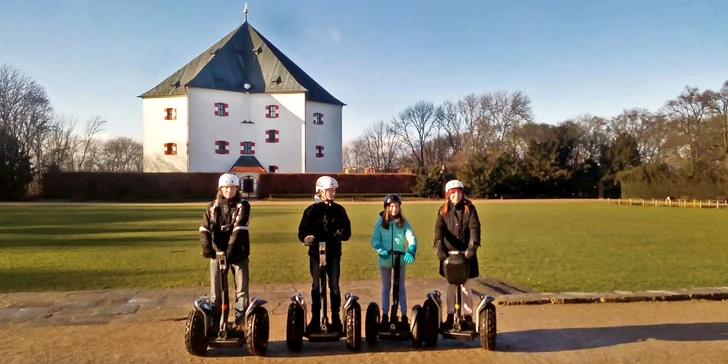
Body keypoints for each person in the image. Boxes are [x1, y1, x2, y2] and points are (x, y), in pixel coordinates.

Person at [297, 176, 352, 333]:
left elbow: (347, 231)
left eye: (333, 190)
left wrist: (341, 233)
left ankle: (335, 319)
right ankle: (315, 319)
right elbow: (302, 231)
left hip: (333, 253)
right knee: (316, 287)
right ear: (320, 191)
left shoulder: (339, 210)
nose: (332, 193)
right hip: (316, 254)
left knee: (334, 286)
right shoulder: (311, 211)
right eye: (329, 190)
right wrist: (307, 237)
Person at [198, 172, 252, 328]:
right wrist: (207, 246)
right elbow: (204, 228)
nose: (229, 191)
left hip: (238, 253)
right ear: (220, 189)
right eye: (226, 188)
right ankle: (216, 321)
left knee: (241, 290)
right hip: (217, 253)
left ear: (237, 188)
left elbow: (239, 229)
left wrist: (230, 250)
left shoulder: (243, 205)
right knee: (216, 290)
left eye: (232, 188)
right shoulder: (212, 206)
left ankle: (241, 322)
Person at [433, 179, 481, 329]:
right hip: (449, 255)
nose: (456, 196)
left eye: (459, 193)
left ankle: (467, 316)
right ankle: (450, 314)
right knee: (450, 286)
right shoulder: (443, 211)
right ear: (448, 195)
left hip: (466, 254)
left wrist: (473, 246)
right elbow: (438, 230)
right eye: (453, 194)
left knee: (466, 286)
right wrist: (439, 247)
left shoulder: (470, 209)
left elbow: (475, 228)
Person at [370, 194, 417, 324]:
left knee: (400, 286)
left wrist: (411, 249)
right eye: (392, 206)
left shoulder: (403, 222)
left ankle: (403, 314)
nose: (394, 209)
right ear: (387, 207)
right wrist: (380, 248)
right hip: (385, 259)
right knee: (386, 286)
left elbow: (411, 236)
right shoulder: (380, 221)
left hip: (400, 259)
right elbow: (375, 239)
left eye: (396, 206)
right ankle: (385, 314)